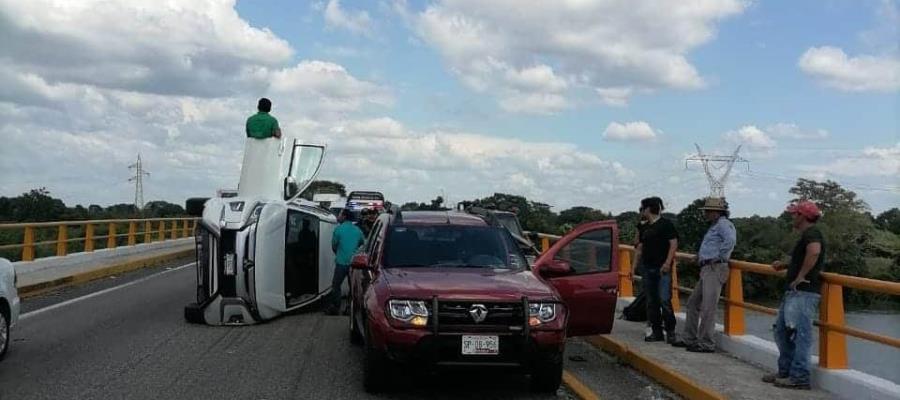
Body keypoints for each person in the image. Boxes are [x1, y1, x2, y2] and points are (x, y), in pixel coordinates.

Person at [762, 200, 824, 390]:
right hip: (795, 292)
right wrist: (786, 265)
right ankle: (786, 371)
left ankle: (799, 377)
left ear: (802, 216)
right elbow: (806, 255)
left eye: (794, 214)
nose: (791, 217)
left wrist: (801, 276)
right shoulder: (806, 234)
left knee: (800, 335)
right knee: (781, 331)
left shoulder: (812, 233)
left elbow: (814, 252)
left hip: (804, 292)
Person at [671, 197, 736, 353]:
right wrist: (700, 255)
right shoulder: (715, 226)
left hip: (715, 268)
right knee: (693, 303)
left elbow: (730, 240)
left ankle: (706, 343)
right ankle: (690, 338)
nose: (706, 214)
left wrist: (718, 257)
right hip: (707, 268)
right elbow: (713, 245)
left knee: (708, 307)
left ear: (717, 212)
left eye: (708, 211)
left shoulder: (723, 225)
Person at [638, 197, 679, 343]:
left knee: (664, 300)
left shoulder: (666, 224)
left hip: (662, 268)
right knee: (651, 302)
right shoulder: (644, 227)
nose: (641, 210)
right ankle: (657, 332)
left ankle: (671, 332)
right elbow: (639, 245)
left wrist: (667, 263)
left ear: (649, 208)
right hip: (648, 268)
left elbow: (673, 244)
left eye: (643, 208)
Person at [327, 209, 365, 315]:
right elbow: (364, 243)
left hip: (341, 262)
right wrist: (356, 252)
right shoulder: (358, 230)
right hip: (354, 264)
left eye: (339, 214)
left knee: (336, 285)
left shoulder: (338, 229)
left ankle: (335, 307)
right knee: (352, 287)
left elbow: (334, 245)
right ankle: (349, 308)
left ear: (344, 216)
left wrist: (339, 253)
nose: (338, 216)